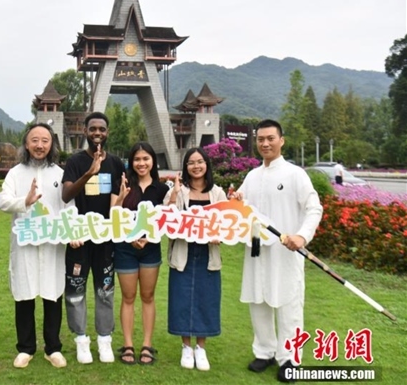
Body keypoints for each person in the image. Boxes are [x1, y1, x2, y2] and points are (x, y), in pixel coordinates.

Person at [232, 119, 323, 383]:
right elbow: (241, 206)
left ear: (281, 140)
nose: (265, 143)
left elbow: (314, 208)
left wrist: (302, 236)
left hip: (286, 252)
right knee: (258, 300)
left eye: (270, 138)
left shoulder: (295, 174)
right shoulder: (252, 176)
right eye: (261, 139)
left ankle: (290, 359)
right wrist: (235, 200)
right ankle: (265, 351)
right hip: (256, 250)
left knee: (288, 303)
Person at [0, 123, 71, 369]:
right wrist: (25, 201)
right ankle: (25, 348)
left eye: (45, 141)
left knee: (53, 294)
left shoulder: (60, 174)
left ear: (52, 145)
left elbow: (69, 206)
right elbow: (4, 202)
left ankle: (53, 348)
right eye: (35, 140)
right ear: (26, 144)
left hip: (52, 244)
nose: (40, 145)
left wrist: (71, 232)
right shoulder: (15, 173)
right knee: (24, 294)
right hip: (25, 243)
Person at [62, 111, 125, 364]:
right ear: (85, 131)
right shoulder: (75, 161)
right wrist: (90, 172)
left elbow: (119, 201)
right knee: (75, 289)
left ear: (107, 132)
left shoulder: (116, 163)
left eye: (102, 129)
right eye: (93, 129)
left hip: (105, 239)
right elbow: (66, 195)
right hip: (79, 238)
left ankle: (104, 339)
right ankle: (81, 339)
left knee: (105, 290)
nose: (97, 133)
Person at [162, 147, 226, 371]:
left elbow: (227, 223)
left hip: (208, 255)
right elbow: (166, 219)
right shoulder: (179, 191)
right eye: (191, 162)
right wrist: (174, 192)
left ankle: (201, 347)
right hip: (184, 253)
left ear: (207, 165)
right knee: (181, 299)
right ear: (185, 167)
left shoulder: (217, 193)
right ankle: (186, 347)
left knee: (206, 299)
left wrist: (220, 235)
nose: (196, 166)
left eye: (200, 162)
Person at [112, 142, 169, 365]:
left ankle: (147, 344)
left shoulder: (161, 189)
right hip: (125, 247)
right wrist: (121, 196)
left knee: (148, 296)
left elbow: (166, 220)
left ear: (153, 161)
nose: (141, 163)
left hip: (150, 249)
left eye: (146, 158)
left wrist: (147, 238)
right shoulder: (123, 183)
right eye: (137, 159)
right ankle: (128, 345)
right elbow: (113, 215)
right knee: (128, 297)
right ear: (131, 162)